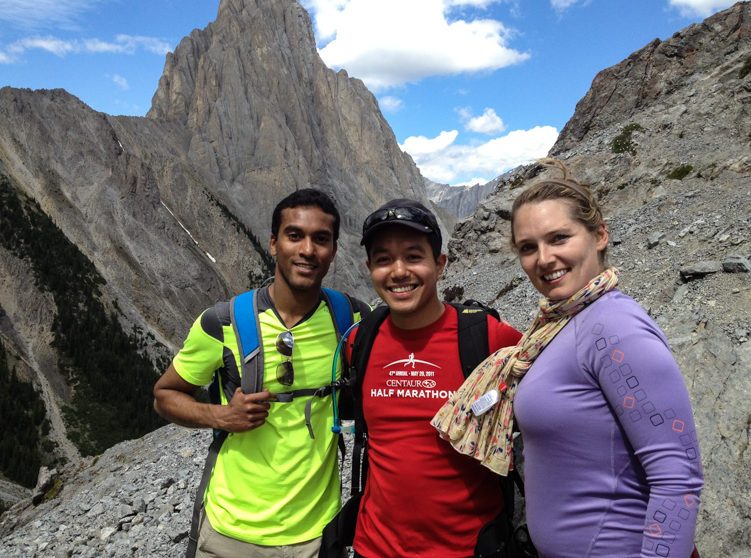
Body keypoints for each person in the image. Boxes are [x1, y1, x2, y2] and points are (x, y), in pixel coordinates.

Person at [432, 160, 703, 558]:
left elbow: (678, 477)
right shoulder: (560, 324)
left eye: (559, 238)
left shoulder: (613, 327)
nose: (543, 259)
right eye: (528, 247)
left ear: (599, 235)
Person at [153, 188, 368, 558]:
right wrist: (221, 415)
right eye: (294, 235)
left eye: (321, 239)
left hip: (318, 536)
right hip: (230, 534)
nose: (307, 250)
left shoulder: (352, 320)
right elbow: (164, 395)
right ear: (273, 243)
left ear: (333, 251)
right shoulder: (222, 323)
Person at [344, 199, 522, 558]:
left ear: (439, 265)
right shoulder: (358, 341)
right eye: (383, 259)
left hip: (468, 548)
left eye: (413, 256)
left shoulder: (487, 337)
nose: (398, 271)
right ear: (369, 268)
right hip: (373, 547)